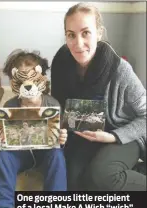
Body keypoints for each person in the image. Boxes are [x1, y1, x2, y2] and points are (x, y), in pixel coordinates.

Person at [51, 3, 146, 191]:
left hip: (122, 135)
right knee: (73, 183)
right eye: (71, 35)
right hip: (83, 135)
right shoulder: (61, 63)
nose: (78, 44)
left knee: (102, 176)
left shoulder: (120, 70)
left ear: (99, 33)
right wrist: (59, 128)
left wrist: (112, 137)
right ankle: (132, 170)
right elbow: (59, 107)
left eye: (86, 32)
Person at [0, 50, 67, 208]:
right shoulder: (10, 105)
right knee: (3, 157)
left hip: (45, 153)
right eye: (21, 81)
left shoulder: (52, 103)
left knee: (58, 157)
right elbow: (4, 138)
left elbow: (58, 135)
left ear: (40, 79)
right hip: (20, 154)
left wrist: (62, 138)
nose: (28, 86)